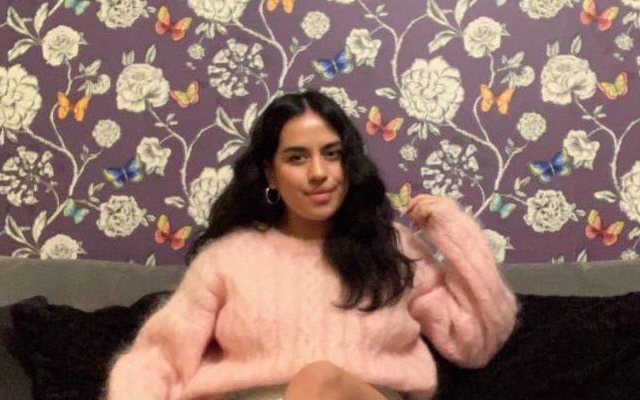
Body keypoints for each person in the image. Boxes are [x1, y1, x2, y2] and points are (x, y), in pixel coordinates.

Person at [106, 90, 518, 400]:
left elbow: (476, 344)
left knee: (320, 381)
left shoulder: (395, 251)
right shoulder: (227, 260)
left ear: (348, 163)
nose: (318, 172)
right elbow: (155, 359)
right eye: (297, 158)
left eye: (332, 154)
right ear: (271, 173)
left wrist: (454, 231)